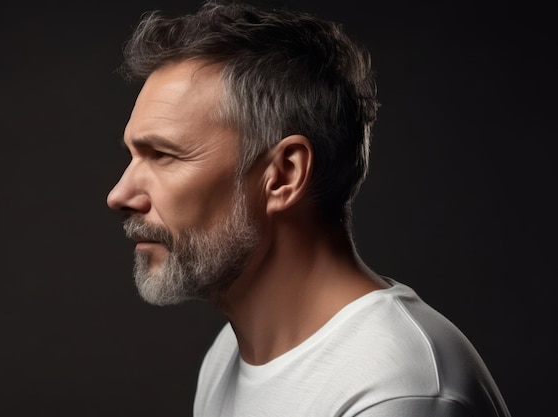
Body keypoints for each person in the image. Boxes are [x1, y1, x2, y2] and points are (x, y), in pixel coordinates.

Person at [106, 1, 511, 416]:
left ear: (283, 174)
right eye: (134, 156)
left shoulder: (397, 393)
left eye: (163, 156)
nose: (119, 195)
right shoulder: (228, 355)